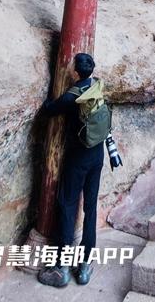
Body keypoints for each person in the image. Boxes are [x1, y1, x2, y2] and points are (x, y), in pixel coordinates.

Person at [38, 53, 106, 289]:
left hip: (78, 159)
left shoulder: (72, 96)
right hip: (98, 156)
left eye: (71, 66)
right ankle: (85, 266)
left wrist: (46, 99)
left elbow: (49, 109)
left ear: (76, 73)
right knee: (90, 208)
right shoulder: (97, 86)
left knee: (67, 206)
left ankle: (61, 268)